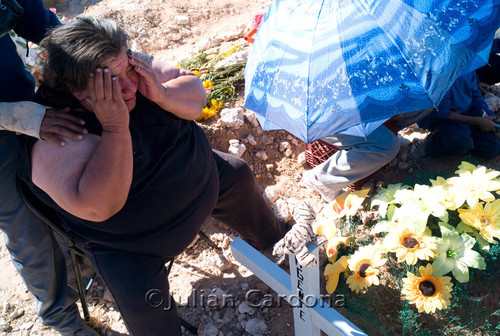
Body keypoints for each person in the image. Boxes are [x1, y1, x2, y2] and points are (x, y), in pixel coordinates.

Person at [17, 16, 290, 335]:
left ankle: (279, 247)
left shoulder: (129, 68)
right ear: (75, 90)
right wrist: (115, 127)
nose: (130, 86)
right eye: (112, 81)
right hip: (133, 247)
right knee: (145, 308)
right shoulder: (55, 133)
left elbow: (196, 96)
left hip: (208, 180)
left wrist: (160, 92)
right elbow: (99, 207)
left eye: (128, 69)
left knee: (237, 172)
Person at [0, 1, 98, 335]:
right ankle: (61, 317)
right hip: (17, 120)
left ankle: (79, 272)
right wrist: (24, 118)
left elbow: (43, 25)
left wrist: (94, 49)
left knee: (63, 189)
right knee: (25, 223)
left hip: (27, 105)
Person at [301, 108, 432, 202]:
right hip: (328, 114)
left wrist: (390, 104)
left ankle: (382, 133)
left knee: (418, 104)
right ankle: (320, 179)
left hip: (360, 104)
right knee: (387, 145)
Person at [416, 71, 500, 159]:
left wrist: (490, 117)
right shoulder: (439, 75)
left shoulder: (467, 68)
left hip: (465, 113)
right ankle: (429, 146)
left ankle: (463, 144)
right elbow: (443, 113)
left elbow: (476, 96)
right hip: (439, 118)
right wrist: (477, 121)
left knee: (493, 147)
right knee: (460, 138)